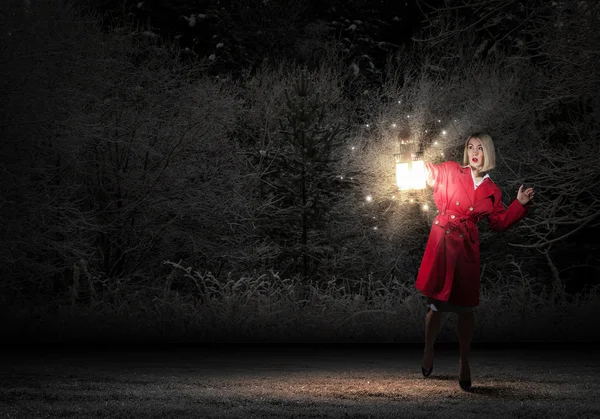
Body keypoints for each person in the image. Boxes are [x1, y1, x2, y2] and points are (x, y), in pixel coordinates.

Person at [415, 133, 534, 392]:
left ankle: (465, 362)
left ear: (488, 152)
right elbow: (431, 172)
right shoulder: (450, 170)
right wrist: (418, 165)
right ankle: (428, 350)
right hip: (444, 240)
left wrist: (519, 205)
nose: (474, 152)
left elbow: (499, 222)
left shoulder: (493, 191)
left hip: (467, 246)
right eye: (470, 147)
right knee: (435, 305)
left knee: (465, 309)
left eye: (479, 148)